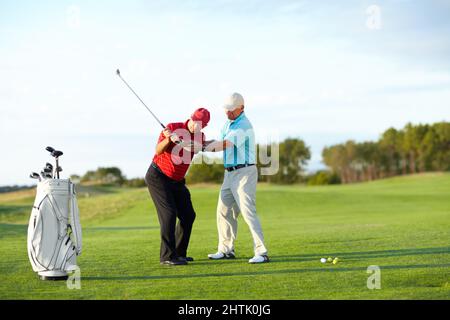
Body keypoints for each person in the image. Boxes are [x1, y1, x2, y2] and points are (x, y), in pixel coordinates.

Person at [204, 93, 269, 264]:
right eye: (226, 109)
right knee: (223, 211)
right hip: (229, 173)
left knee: (248, 212)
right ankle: (226, 250)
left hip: (244, 173)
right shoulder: (229, 123)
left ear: (241, 108)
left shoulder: (244, 126)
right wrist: (198, 142)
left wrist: (201, 148)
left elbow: (224, 145)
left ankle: (261, 252)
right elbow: (219, 141)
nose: (227, 113)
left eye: (231, 110)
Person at [144, 108, 210, 265]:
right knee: (169, 214)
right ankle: (167, 257)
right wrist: (168, 139)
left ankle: (179, 253)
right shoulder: (172, 127)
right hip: (158, 177)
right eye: (196, 123)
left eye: (202, 125)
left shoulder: (200, 136)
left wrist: (179, 141)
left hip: (177, 181)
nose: (198, 127)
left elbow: (193, 148)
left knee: (188, 215)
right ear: (191, 118)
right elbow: (158, 151)